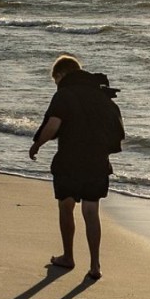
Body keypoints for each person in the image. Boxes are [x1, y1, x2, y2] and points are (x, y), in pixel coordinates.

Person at [29, 53, 125, 281]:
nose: (56, 85)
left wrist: (37, 144)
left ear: (61, 75)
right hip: (97, 161)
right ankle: (95, 265)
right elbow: (117, 130)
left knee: (66, 206)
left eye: (55, 80)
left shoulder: (64, 93)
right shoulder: (102, 94)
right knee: (91, 211)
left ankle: (68, 256)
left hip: (70, 159)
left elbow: (53, 125)